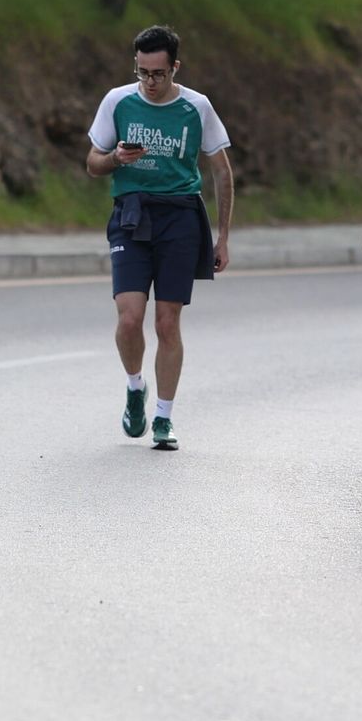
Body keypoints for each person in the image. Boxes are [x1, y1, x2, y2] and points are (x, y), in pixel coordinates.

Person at [85, 25, 233, 450]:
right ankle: (135, 386)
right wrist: (115, 158)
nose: (150, 82)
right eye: (143, 72)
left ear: (175, 68)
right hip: (131, 215)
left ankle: (164, 418)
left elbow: (221, 171)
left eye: (158, 73)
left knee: (167, 322)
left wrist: (222, 236)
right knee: (129, 318)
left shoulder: (196, 107)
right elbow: (92, 162)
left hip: (181, 218)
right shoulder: (118, 101)